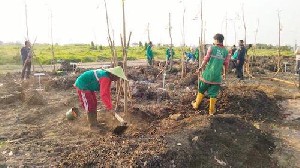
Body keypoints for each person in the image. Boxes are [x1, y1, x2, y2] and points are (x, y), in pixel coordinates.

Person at [191, 33, 230, 115]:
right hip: (217, 76)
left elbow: (206, 59)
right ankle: (211, 111)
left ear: (216, 40)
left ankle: (196, 105)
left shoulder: (211, 48)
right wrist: (224, 73)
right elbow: (226, 64)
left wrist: (200, 68)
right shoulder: (226, 52)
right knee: (213, 93)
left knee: (202, 89)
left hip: (208, 75)